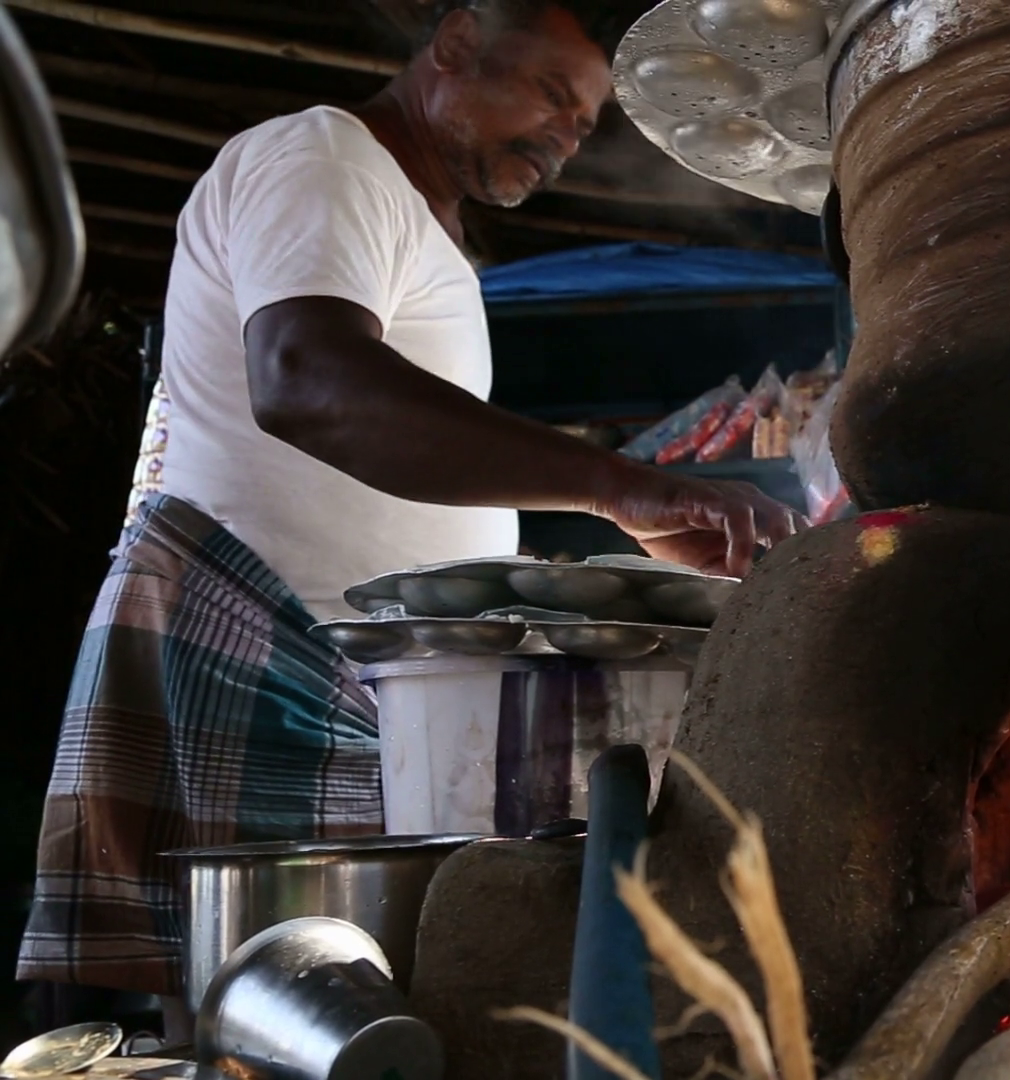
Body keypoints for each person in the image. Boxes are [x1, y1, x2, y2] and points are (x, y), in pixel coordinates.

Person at [17, 0, 799, 1016]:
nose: (564, 137)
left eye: (583, 122)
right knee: (231, 1023)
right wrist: (619, 483)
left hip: (348, 677)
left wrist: (607, 528)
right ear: (459, 44)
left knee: (335, 1020)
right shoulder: (327, 157)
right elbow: (306, 381)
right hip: (255, 638)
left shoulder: (428, 234)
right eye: (549, 94)